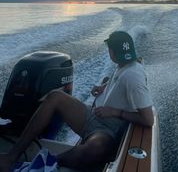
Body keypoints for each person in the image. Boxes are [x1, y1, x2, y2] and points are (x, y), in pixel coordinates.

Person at [0, 31, 153, 171]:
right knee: (55, 97)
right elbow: (120, 81)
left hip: (108, 130)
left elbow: (148, 119)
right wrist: (104, 87)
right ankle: (11, 157)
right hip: (94, 115)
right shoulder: (125, 64)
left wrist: (115, 112)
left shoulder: (133, 77)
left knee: (96, 148)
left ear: (112, 52)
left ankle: (51, 161)